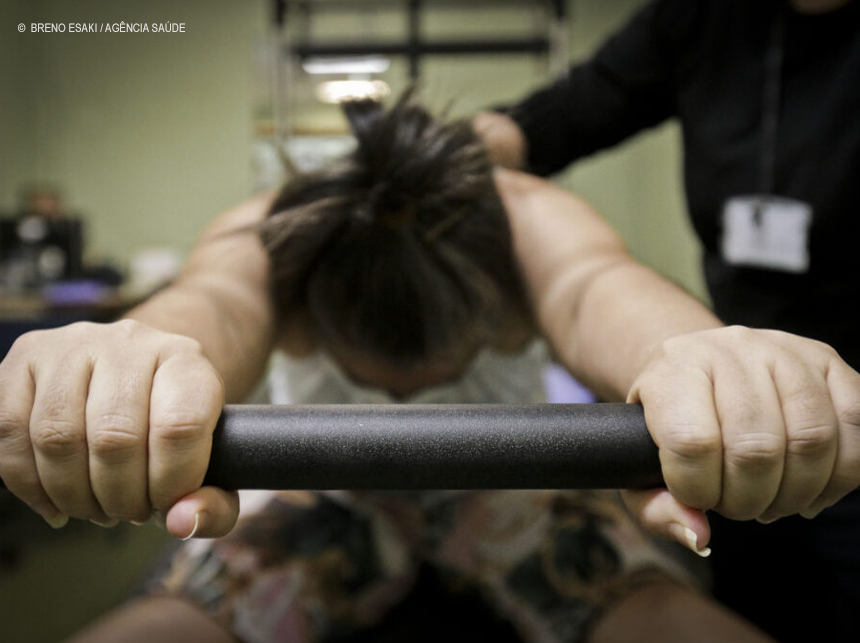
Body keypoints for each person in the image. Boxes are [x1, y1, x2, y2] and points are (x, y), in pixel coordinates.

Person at [0, 94, 857, 641]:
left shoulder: (525, 215)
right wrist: (127, 352)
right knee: (166, 621)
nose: (406, 396)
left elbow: (597, 287)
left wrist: (699, 354)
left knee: (660, 614)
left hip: (509, 494)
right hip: (323, 496)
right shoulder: (272, 233)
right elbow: (213, 303)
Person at [474, 0, 860, 638]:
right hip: (748, 369)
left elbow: (588, 282)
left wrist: (695, 349)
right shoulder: (697, 18)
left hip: (844, 393)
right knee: (749, 578)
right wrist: (442, 150)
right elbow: (568, 112)